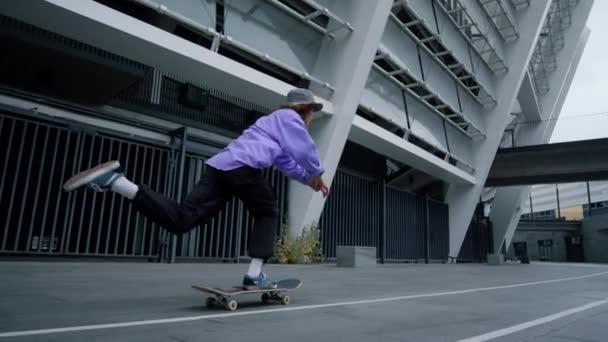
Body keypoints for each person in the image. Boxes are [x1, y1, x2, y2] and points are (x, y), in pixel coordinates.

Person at [63, 88, 329, 289]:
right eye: (310, 116)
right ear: (303, 109)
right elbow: (304, 148)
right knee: (268, 211)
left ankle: (117, 183)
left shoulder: (272, 128)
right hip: (243, 167)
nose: (309, 122)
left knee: (182, 218)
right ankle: (255, 274)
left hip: (221, 167)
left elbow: (287, 161)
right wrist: (317, 172)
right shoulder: (287, 116)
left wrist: (308, 179)